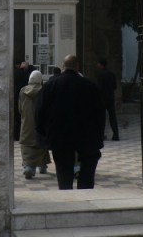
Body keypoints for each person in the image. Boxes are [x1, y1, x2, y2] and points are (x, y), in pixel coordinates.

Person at [35, 54, 104, 189]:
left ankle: (66, 191)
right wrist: (99, 134)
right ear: (78, 67)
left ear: (63, 66)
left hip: (59, 134)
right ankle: (85, 192)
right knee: (88, 167)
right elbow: (100, 112)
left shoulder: (51, 85)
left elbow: (39, 111)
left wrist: (43, 132)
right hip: (86, 134)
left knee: (63, 169)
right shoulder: (89, 85)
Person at [18, 70, 51, 179]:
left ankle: (29, 166)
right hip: (41, 122)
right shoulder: (45, 90)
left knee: (27, 145)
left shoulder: (23, 91)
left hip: (27, 123)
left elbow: (20, 108)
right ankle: (42, 165)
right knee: (41, 143)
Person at [97, 58, 120, 141]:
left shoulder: (100, 74)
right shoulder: (111, 74)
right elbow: (114, 86)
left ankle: (101, 135)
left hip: (103, 98)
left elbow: (99, 87)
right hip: (111, 97)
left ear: (100, 65)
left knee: (102, 117)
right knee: (112, 117)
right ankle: (116, 135)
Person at [13, 61, 30, 141]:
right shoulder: (27, 74)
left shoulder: (15, 73)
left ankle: (16, 135)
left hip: (15, 96)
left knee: (16, 117)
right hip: (24, 97)